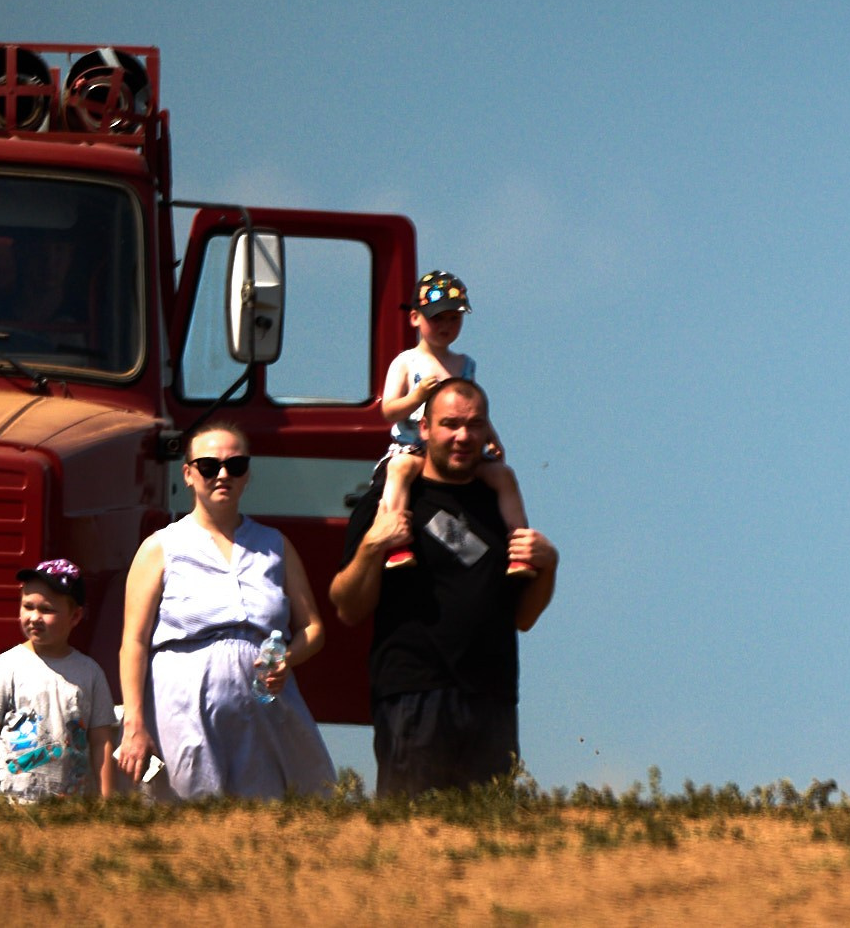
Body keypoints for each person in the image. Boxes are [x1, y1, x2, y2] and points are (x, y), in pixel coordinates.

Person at [333, 378, 558, 796]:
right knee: (410, 841)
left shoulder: (500, 505)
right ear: (424, 429)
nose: (462, 436)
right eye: (450, 424)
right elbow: (347, 606)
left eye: (474, 425)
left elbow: (523, 619)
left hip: (491, 698)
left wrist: (549, 568)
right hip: (412, 695)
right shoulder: (388, 501)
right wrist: (372, 545)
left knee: (491, 844)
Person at [114, 421, 335, 799]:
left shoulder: (274, 544)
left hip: (263, 703)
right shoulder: (161, 547)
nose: (222, 475)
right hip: (182, 700)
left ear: (247, 475)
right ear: (187, 474)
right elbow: (133, 642)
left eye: (235, 465)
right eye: (208, 466)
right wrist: (134, 721)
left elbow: (313, 628)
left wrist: (287, 658)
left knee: (272, 815)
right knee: (189, 814)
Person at [376, 271, 530, 575]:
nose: (446, 326)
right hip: (413, 447)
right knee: (398, 469)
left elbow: (475, 412)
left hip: (460, 450)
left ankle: (519, 546)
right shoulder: (406, 362)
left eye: (454, 318)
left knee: (503, 475)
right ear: (415, 319)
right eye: (438, 318)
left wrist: (490, 437)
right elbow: (389, 411)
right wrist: (417, 396)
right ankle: (395, 541)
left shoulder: (465, 364)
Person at [0, 559, 120, 801]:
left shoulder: (90, 673)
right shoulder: (4, 667)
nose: (34, 617)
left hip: (73, 810)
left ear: (75, 616)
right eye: (28, 606)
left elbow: (101, 741)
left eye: (47, 610)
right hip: (15, 807)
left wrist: (107, 802)